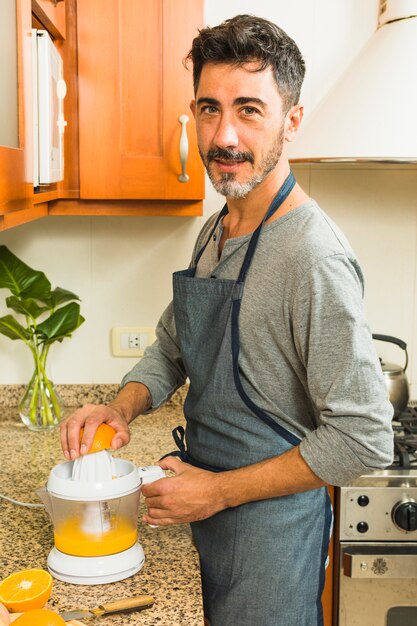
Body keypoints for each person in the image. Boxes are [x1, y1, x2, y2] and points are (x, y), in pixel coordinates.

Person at [60, 14, 394, 626]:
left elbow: (364, 435)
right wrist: (122, 405)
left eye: (249, 110)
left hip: (270, 538)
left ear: (291, 121)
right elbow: (175, 342)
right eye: (209, 109)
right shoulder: (224, 222)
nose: (224, 136)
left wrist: (215, 492)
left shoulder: (310, 255)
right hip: (203, 508)